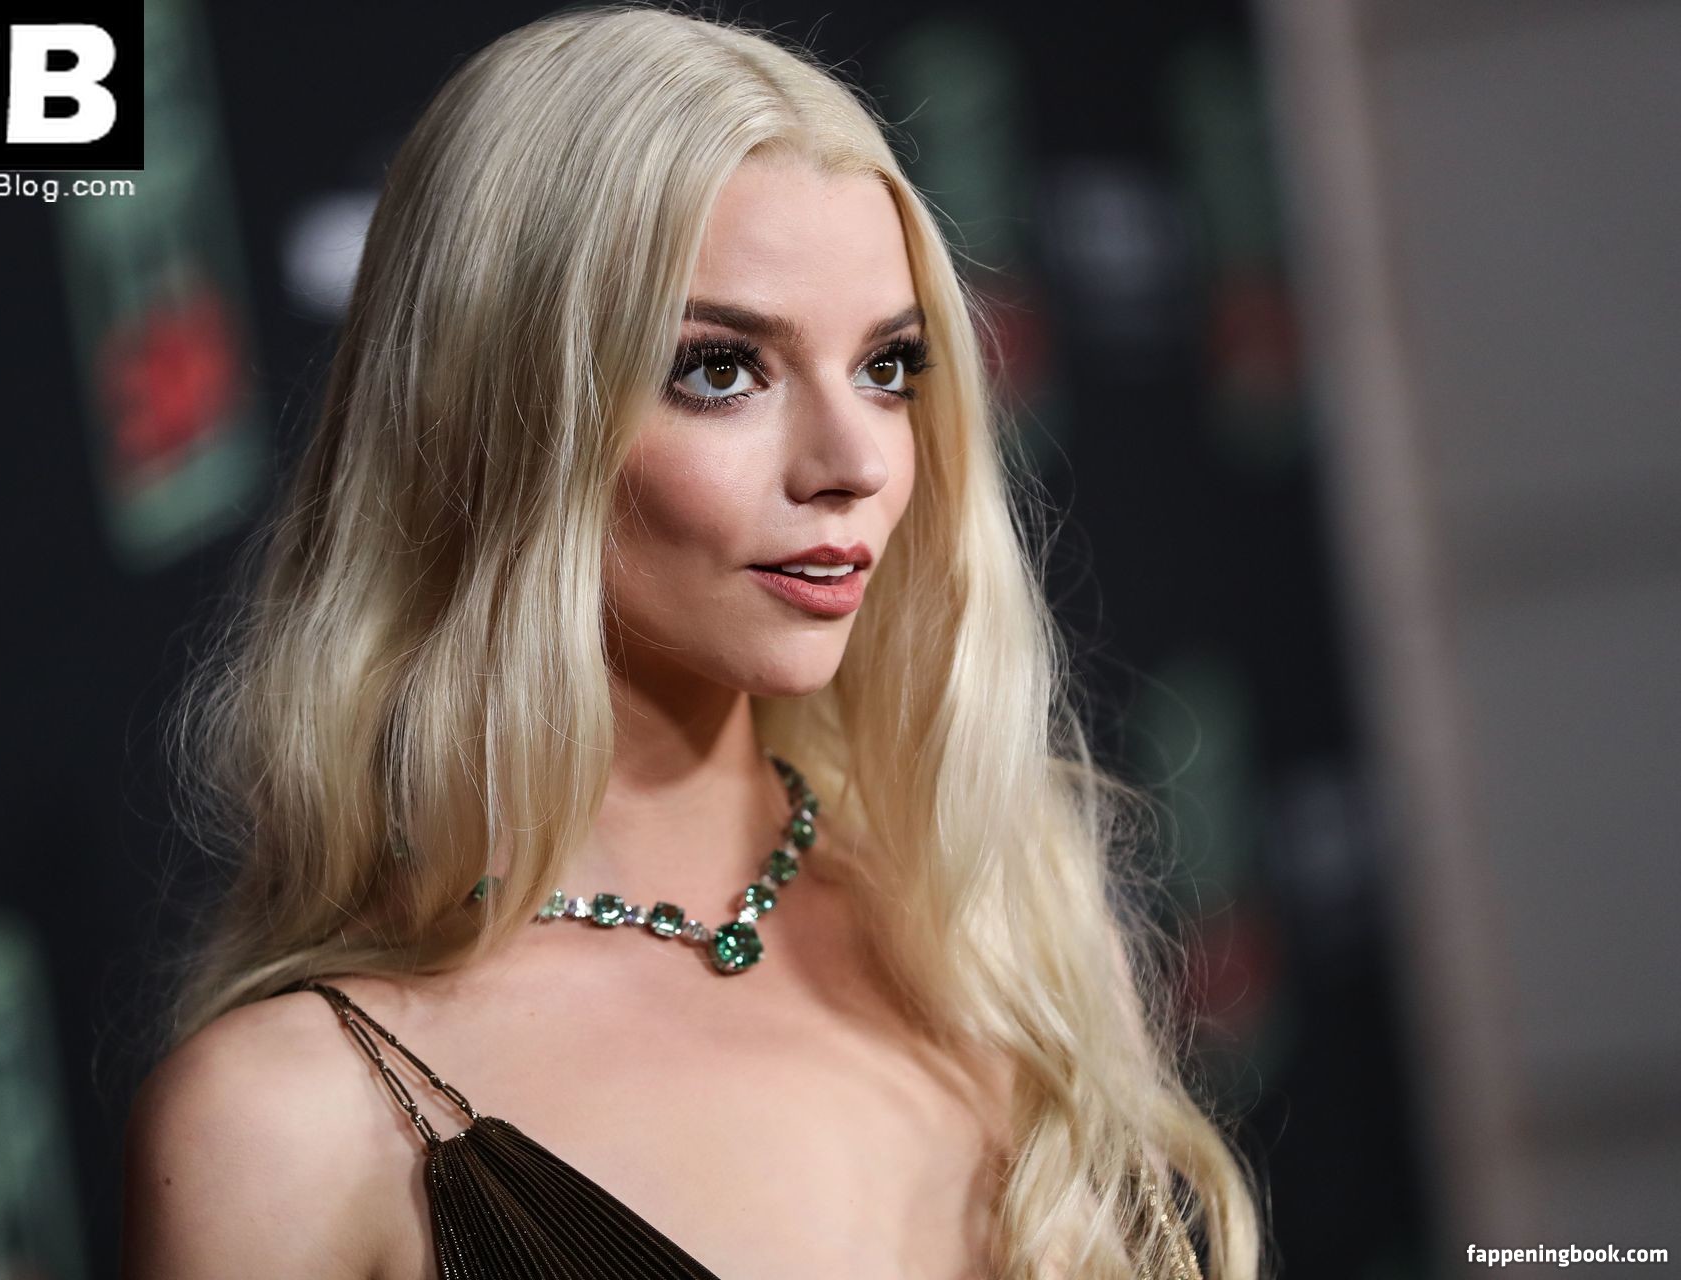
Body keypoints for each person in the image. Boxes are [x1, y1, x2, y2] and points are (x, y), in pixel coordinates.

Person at [118, 4, 1265, 1277]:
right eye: (723, 368)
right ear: (496, 411)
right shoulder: (284, 1129)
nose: (853, 461)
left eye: (888, 366)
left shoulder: (1003, 940)